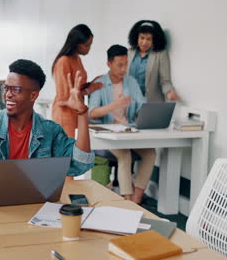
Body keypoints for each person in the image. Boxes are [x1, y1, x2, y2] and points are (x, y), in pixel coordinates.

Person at [0, 59, 96, 195]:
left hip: (36, 205)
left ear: (33, 95)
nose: (8, 95)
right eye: (6, 88)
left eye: (16, 89)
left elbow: (80, 163)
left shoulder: (50, 131)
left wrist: (82, 113)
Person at [89, 45, 156, 204]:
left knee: (150, 153)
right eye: (120, 65)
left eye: (126, 64)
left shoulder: (131, 82)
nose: (124, 68)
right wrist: (115, 105)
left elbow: (142, 105)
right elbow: (91, 112)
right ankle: (127, 200)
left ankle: (136, 198)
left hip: (129, 130)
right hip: (109, 134)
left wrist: (145, 114)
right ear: (109, 64)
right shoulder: (100, 83)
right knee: (124, 155)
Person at [52, 24, 103, 138]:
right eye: (86, 45)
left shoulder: (77, 58)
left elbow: (77, 88)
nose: (89, 48)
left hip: (77, 112)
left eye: (90, 45)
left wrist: (91, 85)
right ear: (76, 44)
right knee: (70, 151)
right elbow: (64, 97)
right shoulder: (63, 61)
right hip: (66, 115)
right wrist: (86, 91)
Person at [127, 20, 181, 102]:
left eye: (148, 39)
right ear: (136, 38)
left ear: (154, 41)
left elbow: (165, 80)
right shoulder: (129, 52)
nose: (144, 42)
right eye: (142, 38)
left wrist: (169, 92)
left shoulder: (160, 55)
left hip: (150, 102)